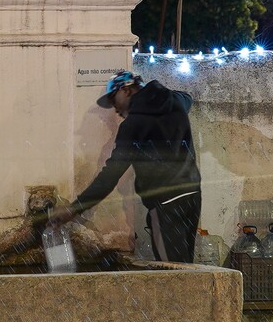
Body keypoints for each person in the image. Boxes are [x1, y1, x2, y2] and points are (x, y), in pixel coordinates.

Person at [55, 70, 201, 263]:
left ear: (126, 90)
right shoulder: (176, 101)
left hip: (164, 203)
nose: (114, 109)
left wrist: (75, 208)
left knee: (173, 272)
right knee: (187, 267)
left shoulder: (133, 125)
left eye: (113, 99)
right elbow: (187, 97)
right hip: (191, 195)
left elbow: (110, 175)